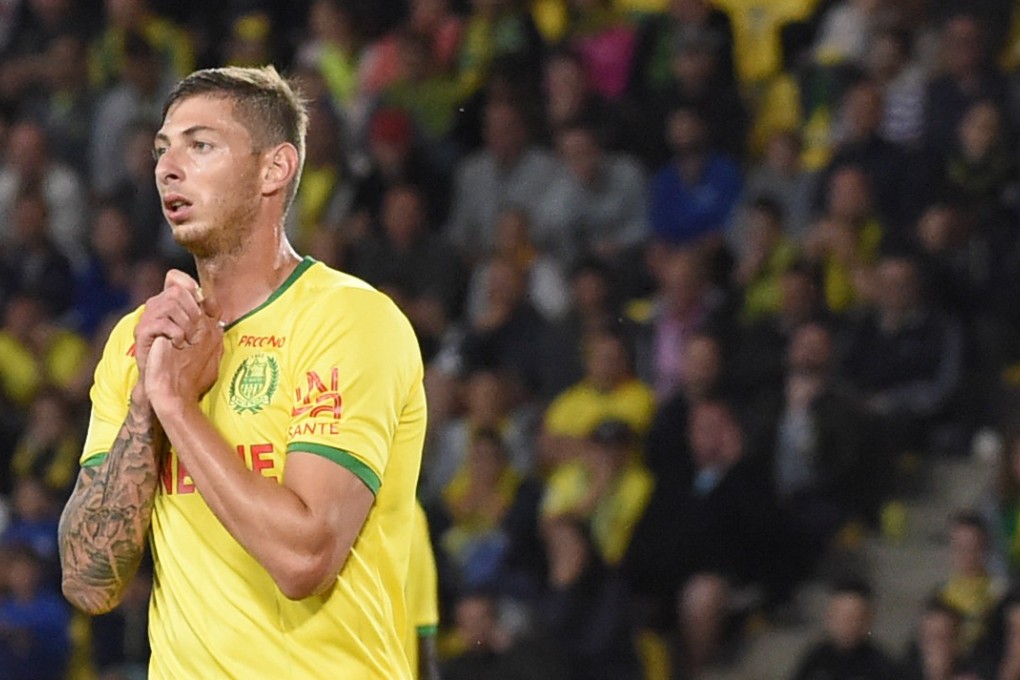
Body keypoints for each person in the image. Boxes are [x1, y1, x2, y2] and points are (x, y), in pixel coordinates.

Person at [57, 65, 427, 678]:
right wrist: (147, 409)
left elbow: (304, 559)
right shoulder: (140, 341)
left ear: (273, 169)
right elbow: (89, 581)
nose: (167, 168)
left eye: (200, 145)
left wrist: (176, 405)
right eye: (161, 149)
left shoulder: (348, 320)